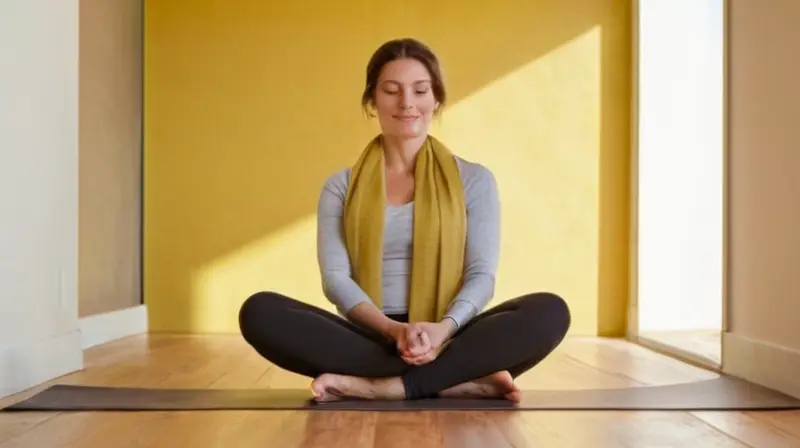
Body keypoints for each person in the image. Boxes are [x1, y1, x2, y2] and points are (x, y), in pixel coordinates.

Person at [238, 37, 571, 403]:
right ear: (372, 101)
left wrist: (442, 331)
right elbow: (335, 279)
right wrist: (394, 330)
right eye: (391, 91)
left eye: (420, 90)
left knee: (549, 311)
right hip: (370, 334)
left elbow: (481, 275)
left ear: (437, 99)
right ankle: (455, 379)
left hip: (451, 333)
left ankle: (382, 386)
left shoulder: (474, 180)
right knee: (260, 311)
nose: (407, 103)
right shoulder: (341, 186)